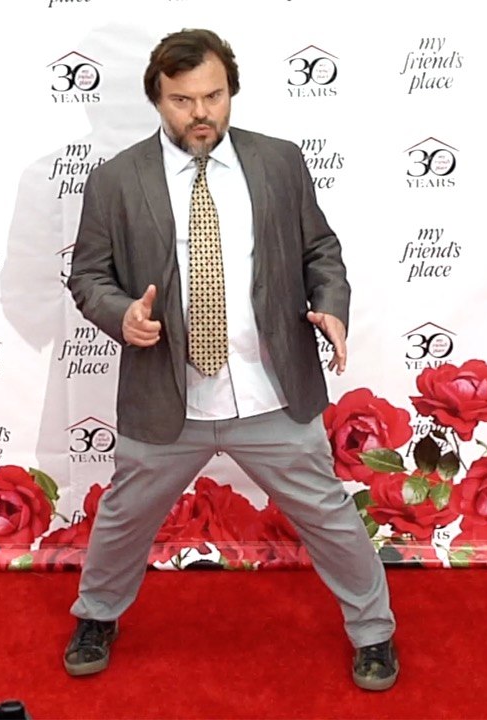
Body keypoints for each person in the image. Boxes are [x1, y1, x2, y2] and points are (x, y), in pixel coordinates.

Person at [64, 28, 398, 691]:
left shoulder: (278, 162)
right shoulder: (116, 180)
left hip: (269, 391)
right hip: (168, 397)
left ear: (231, 91)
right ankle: (97, 615)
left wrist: (331, 305)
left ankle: (374, 631)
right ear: (157, 99)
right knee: (124, 518)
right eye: (182, 100)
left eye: (213, 96)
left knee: (330, 516)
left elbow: (320, 251)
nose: (201, 113)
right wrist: (121, 314)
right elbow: (88, 277)